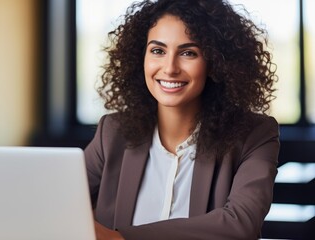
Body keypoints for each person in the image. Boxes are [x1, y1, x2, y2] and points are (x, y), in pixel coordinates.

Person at [84, 0, 279, 239]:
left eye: (188, 53)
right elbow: (53, 199)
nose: (170, 68)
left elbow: (240, 224)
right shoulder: (112, 133)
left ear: (215, 63)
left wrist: (120, 238)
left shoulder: (255, 135)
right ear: (141, 57)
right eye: (158, 51)